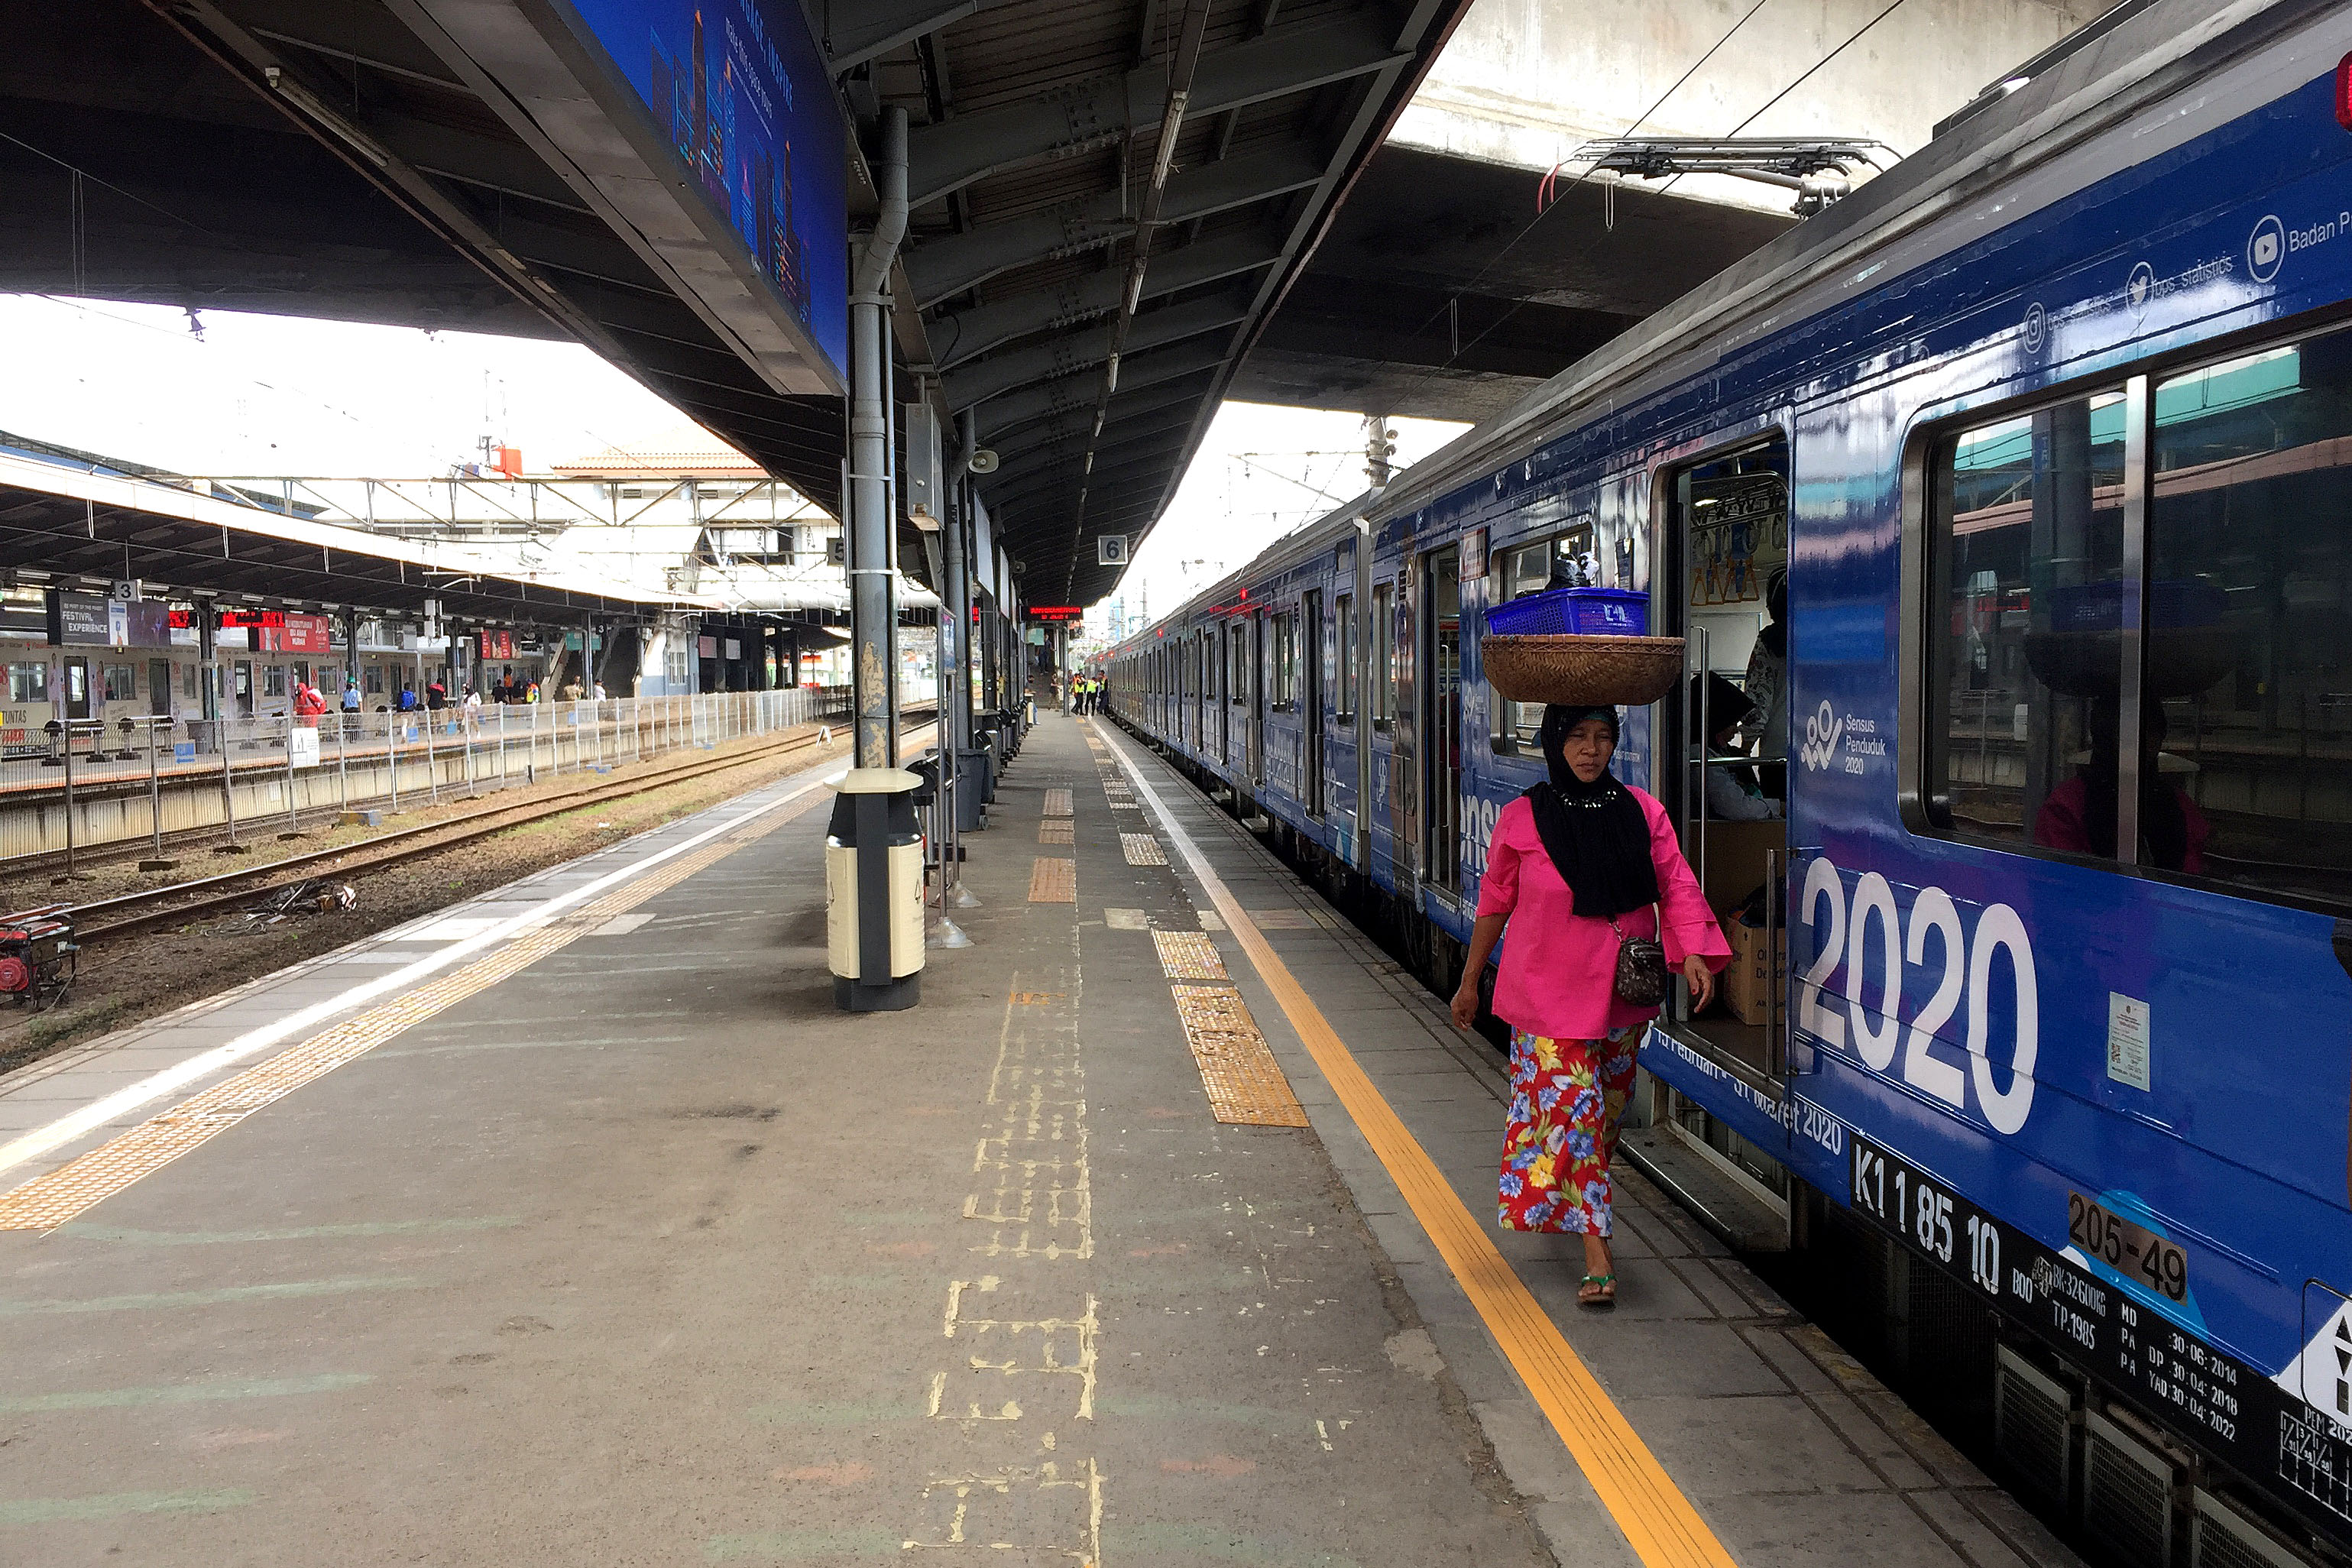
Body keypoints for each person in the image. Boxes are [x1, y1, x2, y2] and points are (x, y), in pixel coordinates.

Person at [1450, 704, 1731, 1310]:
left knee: (1602, 1119)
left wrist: (1696, 954)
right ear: (1554, 741)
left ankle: (1575, 1203)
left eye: (1603, 738)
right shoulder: (1522, 819)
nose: (1590, 750)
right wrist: (1470, 981)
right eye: (1577, 737)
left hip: (1618, 998)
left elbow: (1674, 882)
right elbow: (1495, 903)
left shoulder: (1641, 811)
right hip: (1548, 998)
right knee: (1575, 1117)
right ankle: (1599, 1255)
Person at [2034, 698, 2209, 872]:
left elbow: (2191, 875)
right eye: (2128, 734)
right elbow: (2058, 880)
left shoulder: (2179, 803)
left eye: (2152, 733)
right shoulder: (2065, 806)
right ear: (2106, 738)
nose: (2142, 744)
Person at [1690, 672, 1781, 821]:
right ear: (1716, 722)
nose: (1736, 729)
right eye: (1732, 723)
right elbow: (1737, 807)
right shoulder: (1699, 757)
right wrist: (1778, 807)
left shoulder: (1724, 753)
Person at [1745, 569, 1790, 798]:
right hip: (1825, 747)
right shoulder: (1824, 637)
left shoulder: (1769, 642)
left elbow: (1757, 702)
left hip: (1777, 755)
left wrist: (1745, 747)